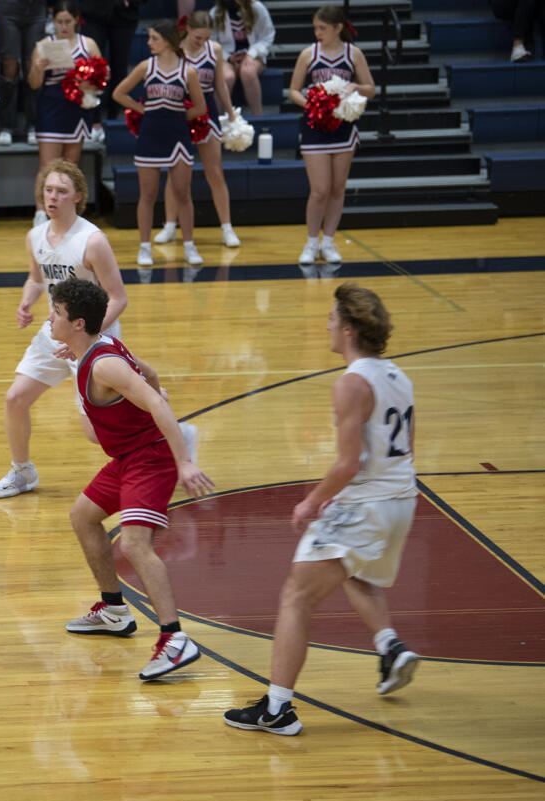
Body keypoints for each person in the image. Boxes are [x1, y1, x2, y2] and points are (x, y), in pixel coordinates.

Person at [223, 283, 421, 735]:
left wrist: (313, 499)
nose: (327, 325)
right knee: (355, 570)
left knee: (296, 596)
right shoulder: (398, 376)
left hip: (367, 504)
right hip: (401, 501)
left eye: (332, 319)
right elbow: (404, 449)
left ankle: (278, 708)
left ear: (349, 329)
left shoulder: (351, 383)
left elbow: (349, 463)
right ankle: (390, 646)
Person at [48, 276, 215, 680]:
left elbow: (157, 400)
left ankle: (174, 639)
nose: (49, 318)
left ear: (78, 323)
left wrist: (185, 462)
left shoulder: (105, 363)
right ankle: (114, 610)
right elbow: (151, 374)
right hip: (127, 456)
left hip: (150, 458)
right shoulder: (97, 348)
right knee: (82, 516)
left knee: (136, 544)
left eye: (56, 313)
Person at [0, 160, 124, 498]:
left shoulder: (93, 241)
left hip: (93, 340)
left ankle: (166, 434)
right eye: (49, 190)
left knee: (95, 432)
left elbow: (118, 298)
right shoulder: (35, 235)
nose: (53, 197)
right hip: (54, 333)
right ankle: (22, 472)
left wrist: (86, 336)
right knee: (15, 398)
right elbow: (37, 279)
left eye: (61, 191)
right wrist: (26, 302)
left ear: (77, 196)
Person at [113, 19, 208, 268]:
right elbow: (118, 93)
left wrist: (175, 116)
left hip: (178, 136)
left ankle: (189, 245)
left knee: (182, 193)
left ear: (168, 40)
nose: (149, 42)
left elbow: (201, 107)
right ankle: (145, 248)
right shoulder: (146, 67)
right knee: (147, 194)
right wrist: (142, 109)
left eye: (154, 38)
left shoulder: (188, 71)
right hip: (150, 135)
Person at [288, 5, 375, 266]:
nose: (317, 32)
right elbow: (293, 90)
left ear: (338, 28)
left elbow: (371, 89)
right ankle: (311, 243)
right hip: (315, 127)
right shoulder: (308, 54)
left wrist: (354, 87)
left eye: (322, 28)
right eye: (315, 27)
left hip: (343, 128)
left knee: (337, 189)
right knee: (320, 190)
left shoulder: (354, 54)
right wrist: (313, 106)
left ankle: (328, 242)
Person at [155, 12, 241, 251]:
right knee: (177, 174)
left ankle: (227, 228)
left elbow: (220, 84)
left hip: (207, 112)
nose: (201, 42)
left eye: (206, 38)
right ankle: (170, 226)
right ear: (187, 29)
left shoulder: (214, 50)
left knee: (215, 172)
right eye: (197, 37)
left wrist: (231, 113)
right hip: (179, 112)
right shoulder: (173, 49)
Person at [27, 1, 101, 224]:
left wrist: (88, 82)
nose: (64, 26)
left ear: (76, 21)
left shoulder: (88, 44)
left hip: (77, 109)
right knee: (47, 165)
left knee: (70, 165)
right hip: (51, 107)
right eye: (59, 22)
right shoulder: (43, 45)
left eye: (68, 21)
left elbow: (102, 79)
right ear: (53, 21)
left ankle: (68, 212)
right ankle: (41, 212)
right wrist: (38, 67)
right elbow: (33, 84)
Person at [77, 0, 140, 122]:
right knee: (92, 67)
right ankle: (93, 121)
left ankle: (113, 119)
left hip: (124, 14)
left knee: (119, 68)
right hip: (92, 12)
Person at [0, 0, 44, 147]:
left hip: (37, 8)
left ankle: (33, 124)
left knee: (33, 64)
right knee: (9, 65)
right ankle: (6, 126)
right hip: (9, 7)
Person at [213, 0, 275, 115]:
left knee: (248, 71)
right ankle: (218, 120)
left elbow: (267, 36)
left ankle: (258, 117)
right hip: (227, 56)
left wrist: (251, 54)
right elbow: (212, 42)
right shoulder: (216, 12)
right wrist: (228, 57)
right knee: (227, 77)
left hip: (253, 54)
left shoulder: (257, 8)